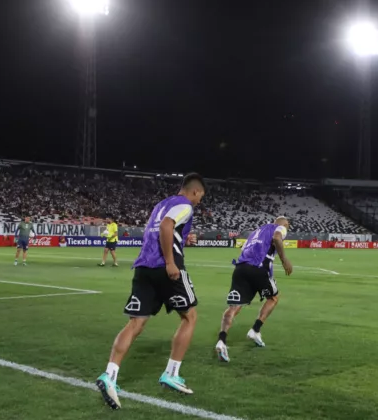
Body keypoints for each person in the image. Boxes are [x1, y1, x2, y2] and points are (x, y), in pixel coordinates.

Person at [95, 173, 206, 410]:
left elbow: (157, 230)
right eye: (200, 197)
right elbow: (167, 226)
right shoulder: (185, 205)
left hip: (143, 267)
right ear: (195, 191)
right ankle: (171, 373)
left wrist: (183, 239)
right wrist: (169, 261)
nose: (199, 201)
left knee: (136, 323)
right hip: (166, 269)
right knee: (190, 316)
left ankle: (109, 375)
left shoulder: (161, 204)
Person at [215, 217, 293, 363]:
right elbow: (277, 238)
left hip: (240, 268)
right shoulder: (279, 227)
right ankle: (255, 330)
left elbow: (245, 249)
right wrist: (284, 260)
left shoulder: (256, 232)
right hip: (258, 269)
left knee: (234, 307)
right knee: (273, 297)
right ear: (285, 224)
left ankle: (221, 341)